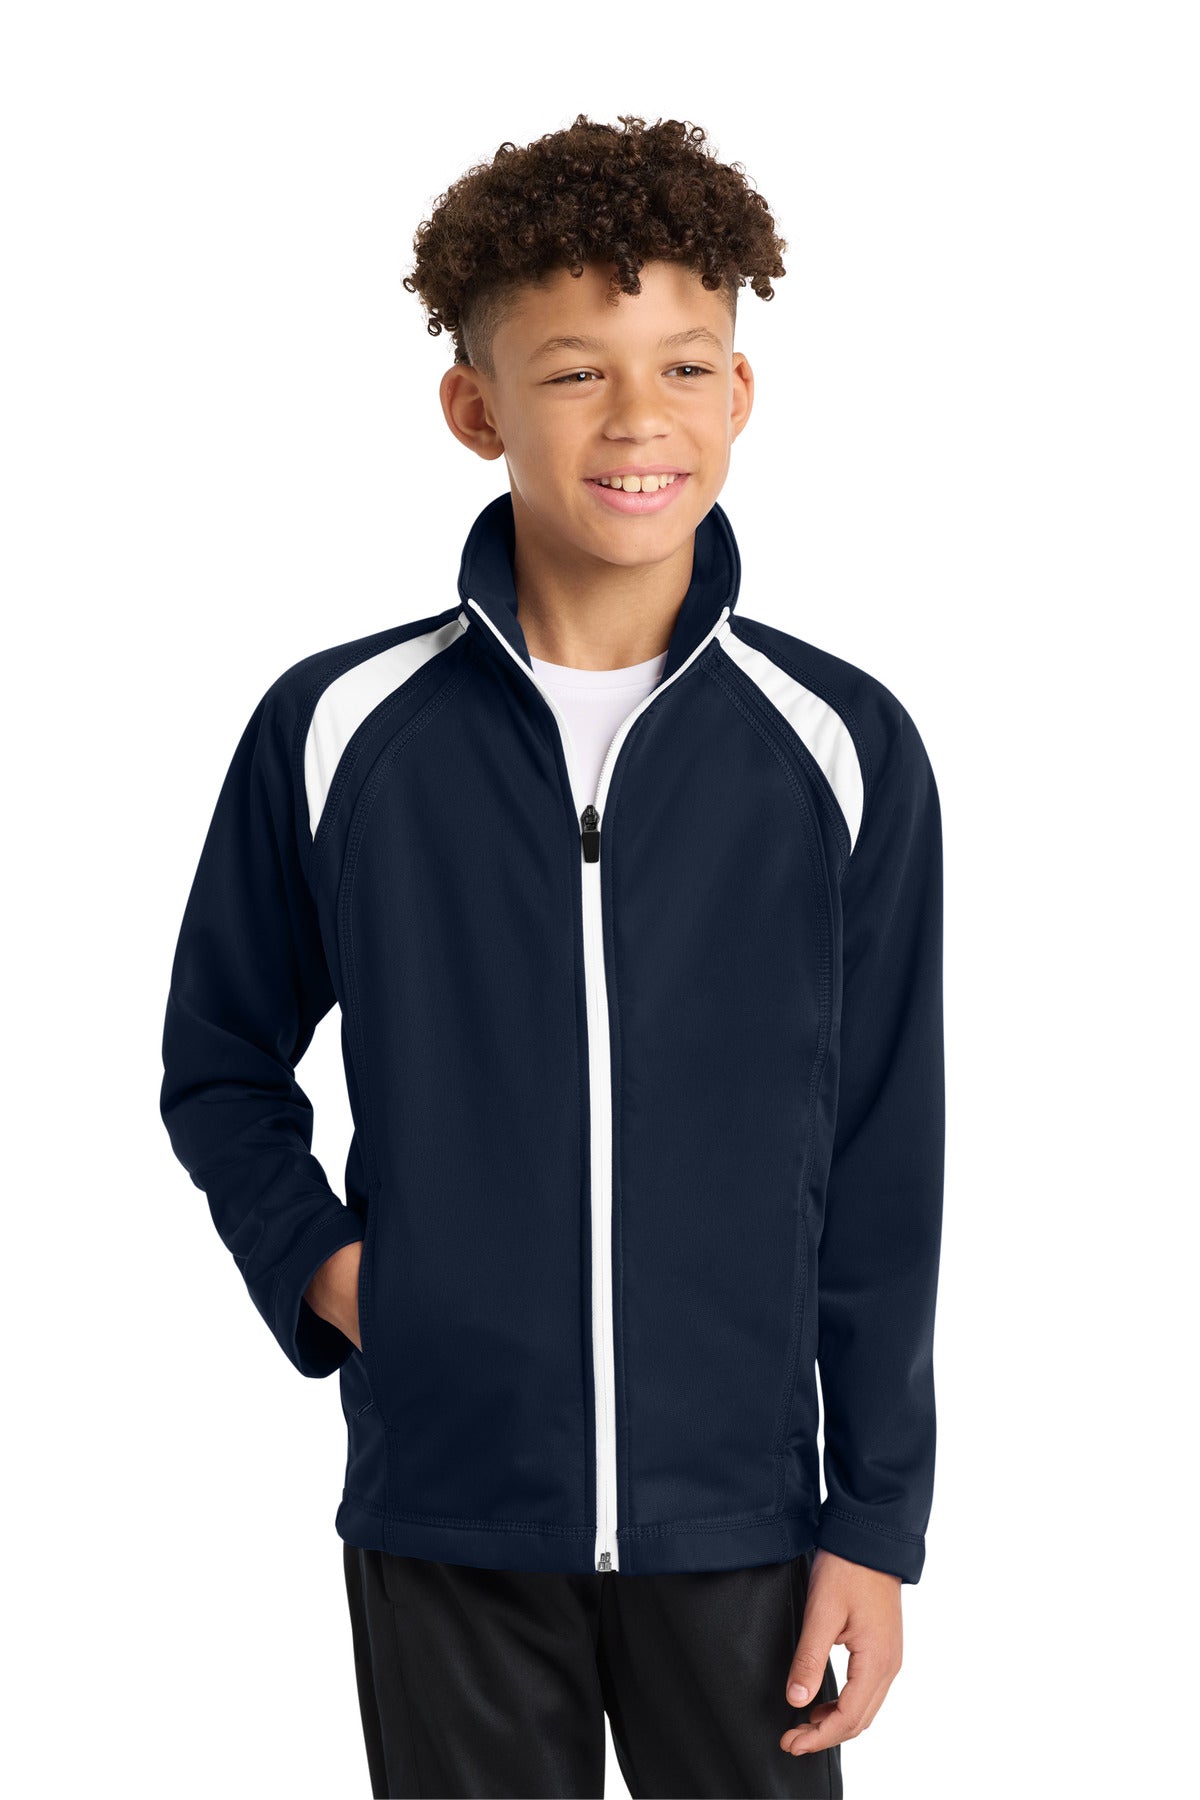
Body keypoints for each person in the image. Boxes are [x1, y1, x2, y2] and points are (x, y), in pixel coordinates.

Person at [159, 112, 945, 1800]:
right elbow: (219, 1061)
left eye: (686, 365)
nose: (640, 418)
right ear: (476, 408)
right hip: (453, 1505)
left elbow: (886, 1154)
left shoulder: (839, 746)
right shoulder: (341, 731)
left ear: (741, 393)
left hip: (741, 1518)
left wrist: (876, 1520)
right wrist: (332, 1271)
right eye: (577, 373)